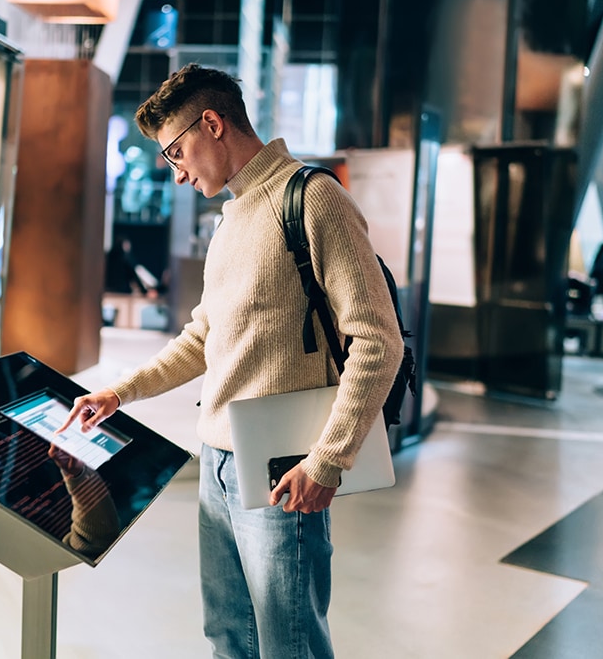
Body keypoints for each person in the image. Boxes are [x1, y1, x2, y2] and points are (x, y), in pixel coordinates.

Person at [58, 64, 403, 658]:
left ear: (211, 124)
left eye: (175, 153)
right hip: (216, 460)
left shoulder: (313, 199)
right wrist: (120, 392)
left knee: (288, 644)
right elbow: (203, 337)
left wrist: (328, 461)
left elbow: (378, 340)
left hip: (282, 468)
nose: (177, 172)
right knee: (227, 639)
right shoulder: (231, 217)